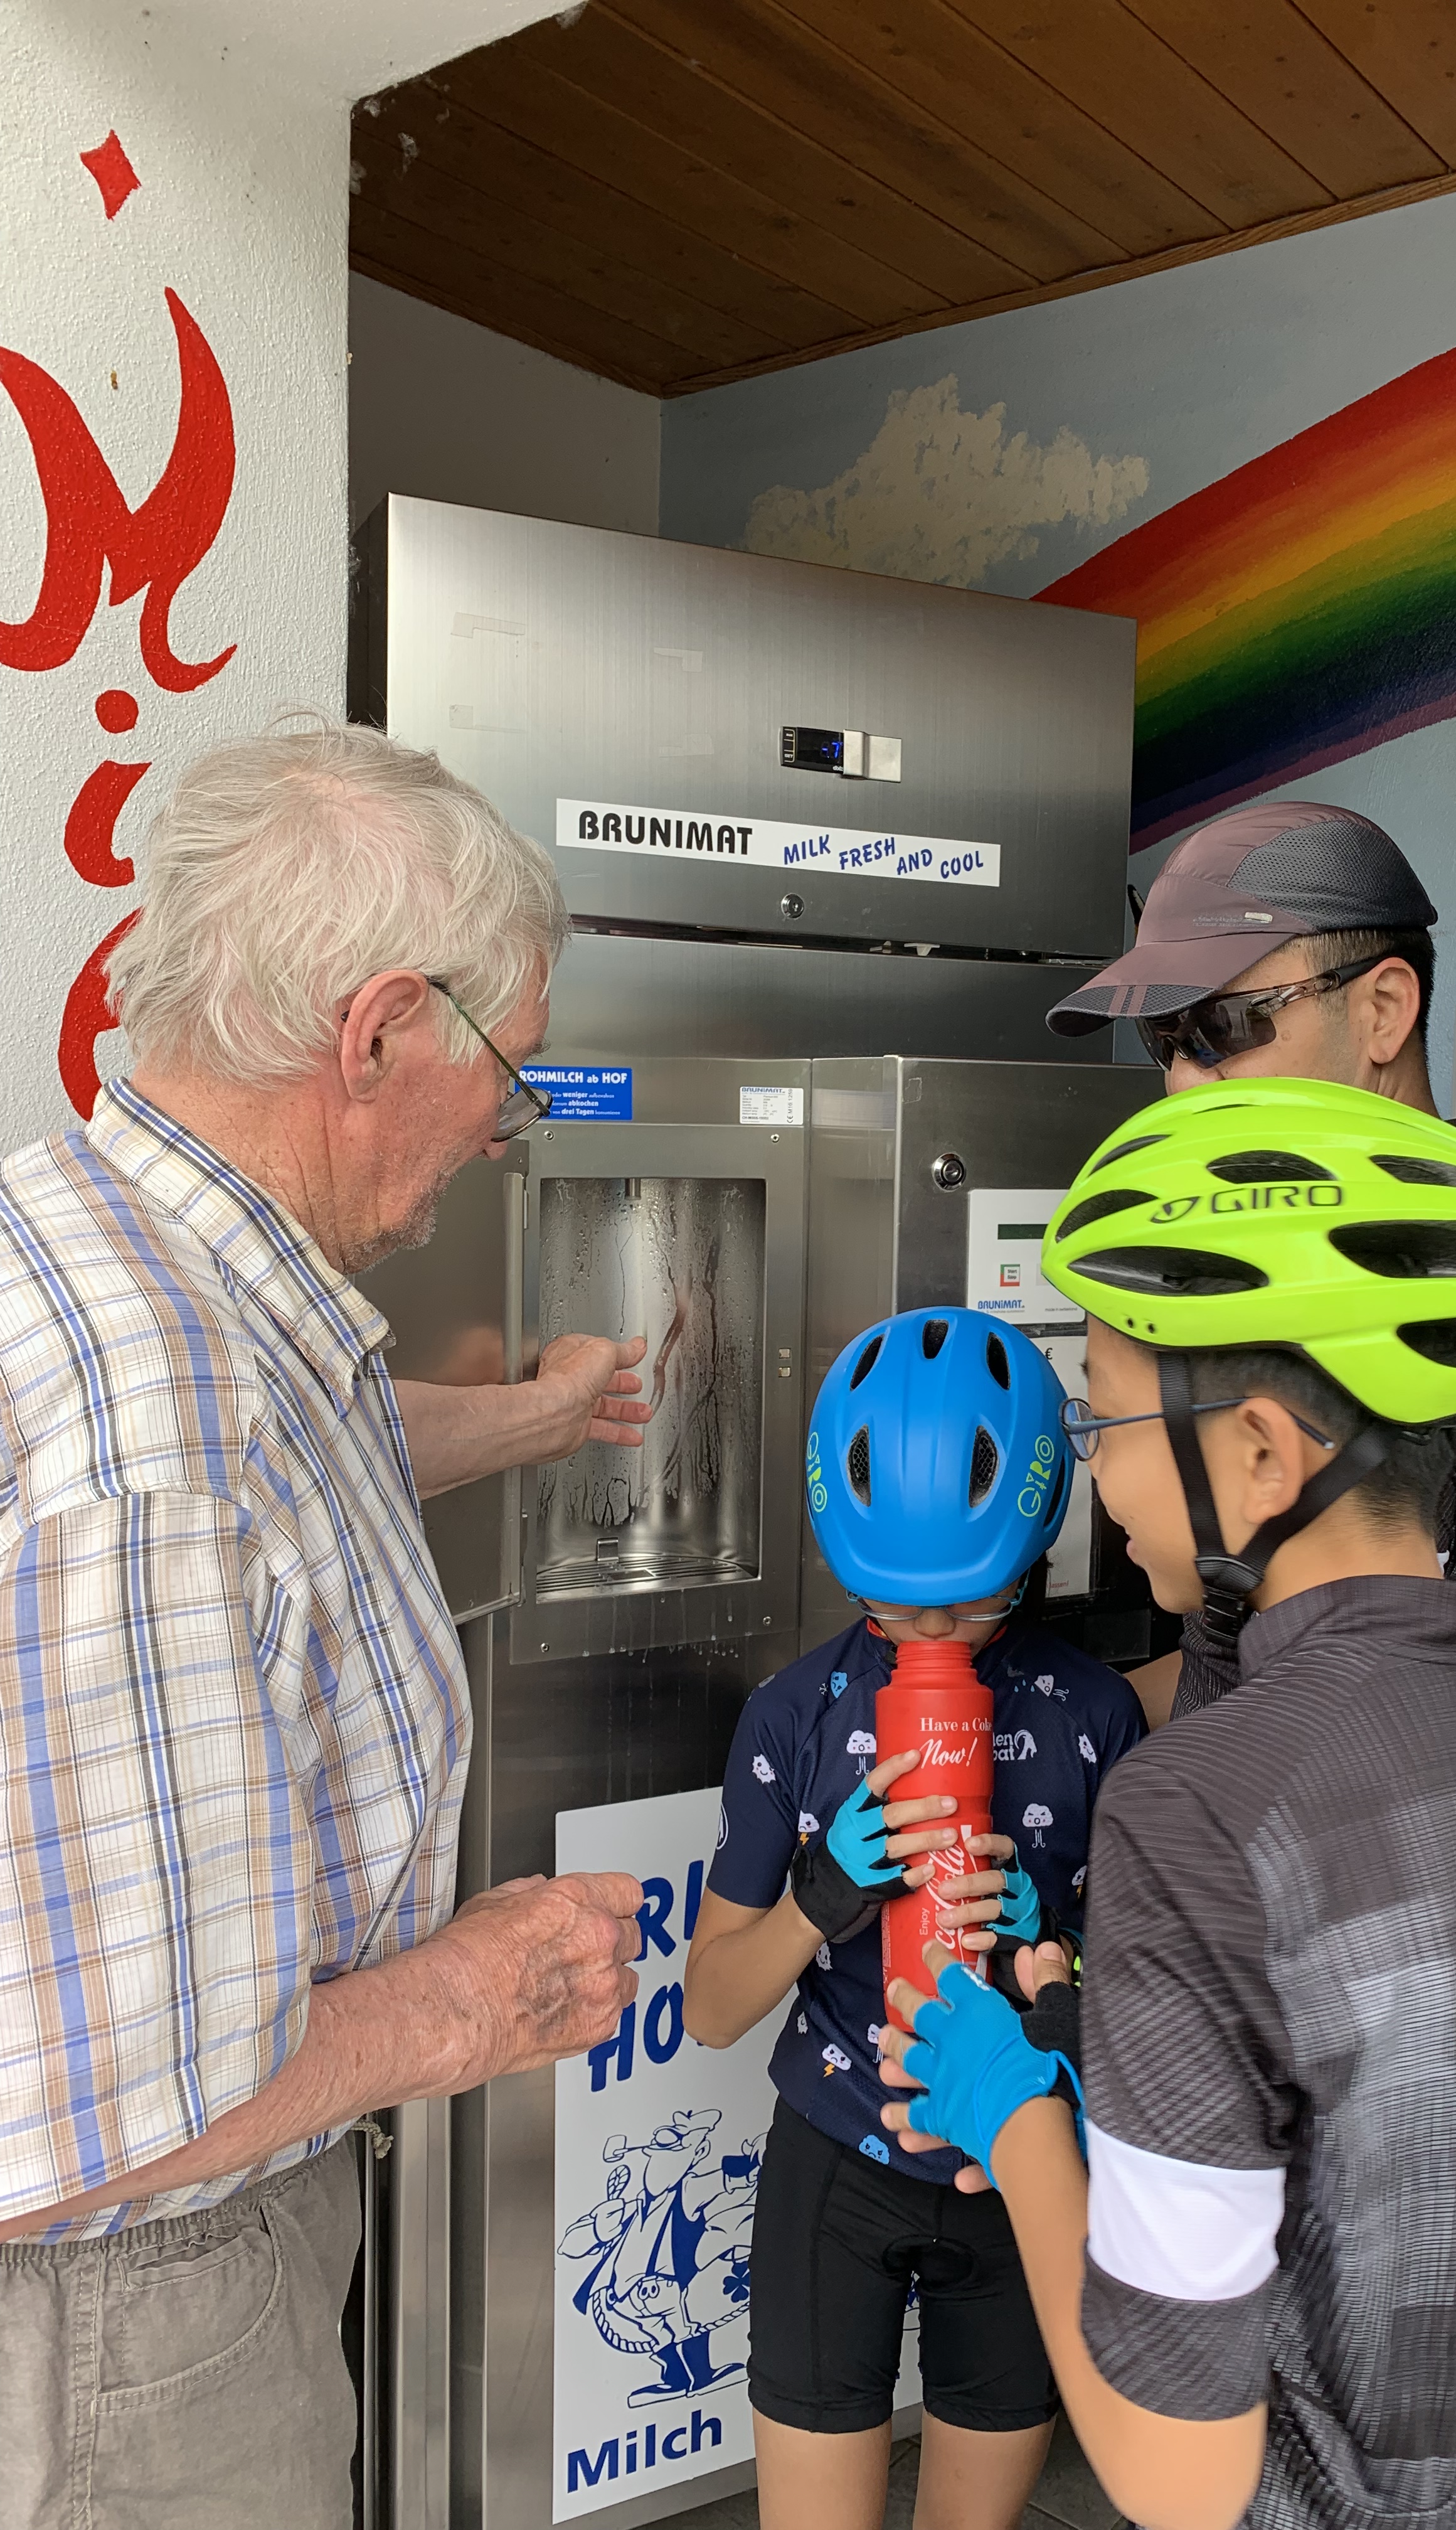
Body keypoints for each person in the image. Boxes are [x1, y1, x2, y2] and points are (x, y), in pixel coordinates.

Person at [0, 725, 650, 2530]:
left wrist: (534, 1419)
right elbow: (114, 2111)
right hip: (128, 2340)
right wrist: (475, 1996)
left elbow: (298, 1465)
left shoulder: (96, 1246)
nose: (509, 1127)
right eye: (508, 1070)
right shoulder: (164, 1437)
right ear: (377, 1034)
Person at [878, 1081, 1456, 2530]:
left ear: (1257, 1452)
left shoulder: (1194, 1813)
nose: (1093, 1468)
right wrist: (1146, 2058)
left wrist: (1017, 2121)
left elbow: (1177, 2471)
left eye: (1103, 1413)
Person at [684, 1307, 1144, 2530]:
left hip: (1021, 2170)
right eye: (893, 1606)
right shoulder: (795, 1716)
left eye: (972, 1602)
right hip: (837, 2160)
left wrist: (1049, 1941)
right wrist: (820, 1896)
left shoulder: (1092, 1717)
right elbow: (712, 2008)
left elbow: (1143, 2003)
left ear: (1033, 1548)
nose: (934, 1633)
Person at [1047, 796, 1456, 1726]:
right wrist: (1045, 1732)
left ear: (1384, 1010)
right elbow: (1229, 1660)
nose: (1181, 1080)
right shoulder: (1263, 1248)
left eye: (1221, 1026)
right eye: (1162, 1039)